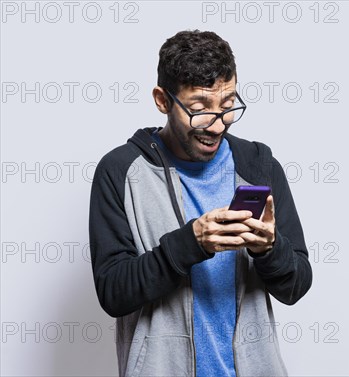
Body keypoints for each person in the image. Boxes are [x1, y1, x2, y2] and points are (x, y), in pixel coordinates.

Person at [89, 30, 312, 376]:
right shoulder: (119, 171)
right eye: (199, 110)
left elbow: (296, 286)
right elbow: (114, 292)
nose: (217, 124)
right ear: (163, 100)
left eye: (227, 106)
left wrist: (269, 250)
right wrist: (190, 243)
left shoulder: (259, 166)